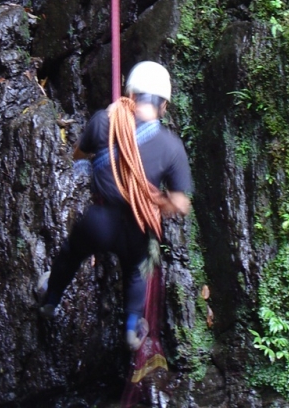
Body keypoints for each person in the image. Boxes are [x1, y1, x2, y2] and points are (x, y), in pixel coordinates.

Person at [38, 61, 193, 351]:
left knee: (72, 253)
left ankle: (51, 300)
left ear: (130, 95)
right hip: (137, 225)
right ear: (163, 106)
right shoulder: (172, 146)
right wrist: (155, 200)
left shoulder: (103, 122)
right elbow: (181, 204)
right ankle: (132, 329)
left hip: (99, 220)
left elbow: (79, 156)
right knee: (136, 270)